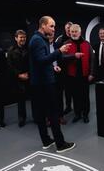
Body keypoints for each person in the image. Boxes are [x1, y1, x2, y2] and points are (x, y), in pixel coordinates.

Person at [28, 16, 75, 153]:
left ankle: (46, 140)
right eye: (52, 26)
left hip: (40, 82)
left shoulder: (39, 39)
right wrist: (59, 51)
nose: (54, 29)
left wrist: (52, 66)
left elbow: (39, 63)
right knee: (53, 113)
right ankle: (60, 144)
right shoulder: (37, 40)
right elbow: (42, 61)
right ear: (43, 26)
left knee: (41, 114)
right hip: (44, 84)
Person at [64, 24, 95, 123]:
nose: (73, 33)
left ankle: (85, 114)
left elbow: (92, 60)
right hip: (72, 75)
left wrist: (91, 73)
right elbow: (62, 58)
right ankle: (77, 114)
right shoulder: (66, 44)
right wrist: (73, 56)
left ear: (80, 32)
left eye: (75, 31)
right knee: (75, 96)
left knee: (85, 96)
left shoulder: (87, 44)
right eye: (72, 31)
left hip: (85, 75)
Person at [7, 29, 31, 127]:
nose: (23, 39)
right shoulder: (11, 51)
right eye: (21, 37)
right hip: (18, 79)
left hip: (30, 77)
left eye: (24, 37)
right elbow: (9, 66)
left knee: (34, 99)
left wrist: (29, 74)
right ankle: (22, 118)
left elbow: (32, 63)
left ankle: (37, 117)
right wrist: (19, 75)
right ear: (16, 38)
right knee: (20, 101)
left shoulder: (29, 49)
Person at [55, 21, 73, 115]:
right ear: (65, 29)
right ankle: (68, 106)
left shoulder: (76, 37)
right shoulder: (60, 39)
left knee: (74, 89)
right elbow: (56, 53)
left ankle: (76, 107)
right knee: (66, 89)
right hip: (63, 68)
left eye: (71, 29)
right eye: (68, 29)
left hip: (74, 68)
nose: (69, 31)